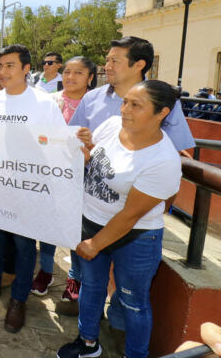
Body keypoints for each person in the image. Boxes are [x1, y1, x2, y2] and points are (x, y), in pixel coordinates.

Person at [66, 36, 195, 321]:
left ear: (139, 65)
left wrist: (162, 207)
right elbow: (74, 143)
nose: (107, 65)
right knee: (84, 265)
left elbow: (175, 155)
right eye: (107, 59)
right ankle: (77, 295)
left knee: (130, 291)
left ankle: (120, 327)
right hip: (88, 203)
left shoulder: (161, 102)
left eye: (114, 60)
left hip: (134, 214)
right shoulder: (93, 97)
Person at [57, 80, 183, 358]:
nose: (124, 109)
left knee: (132, 301)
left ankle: (136, 354)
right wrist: (84, 152)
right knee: (92, 288)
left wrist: (94, 244)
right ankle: (88, 342)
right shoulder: (114, 125)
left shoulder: (163, 160)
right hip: (91, 220)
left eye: (135, 105)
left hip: (135, 236)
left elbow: (130, 215)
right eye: (125, 101)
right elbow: (95, 165)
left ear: (161, 113)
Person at [0, 44, 66, 334]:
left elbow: (59, 143)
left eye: (10, 65)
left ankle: (19, 299)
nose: (3, 71)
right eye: (0, 66)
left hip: (30, 189)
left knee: (24, 246)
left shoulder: (44, 103)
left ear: (25, 69)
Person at [30, 56, 96, 297]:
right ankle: (46, 271)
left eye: (78, 73)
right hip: (51, 174)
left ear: (90, 77)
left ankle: (75, 281)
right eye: (67, 72)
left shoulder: (96, 105)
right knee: (47, 225)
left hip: (86, 178)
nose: (70, 77)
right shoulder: (49, 102)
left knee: (79, 229)